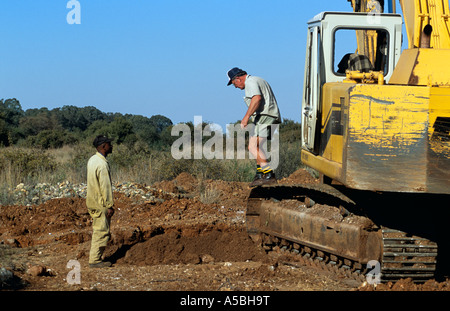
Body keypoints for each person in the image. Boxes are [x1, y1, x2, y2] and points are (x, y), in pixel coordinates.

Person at [227, 67, 281, 187]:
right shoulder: (257, 79)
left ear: (238, 78)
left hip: (265, 116)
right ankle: (260, 174)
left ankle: (268, 175)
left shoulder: (250, 82)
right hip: (268, 116)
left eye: (233, 83)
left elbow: (257, 98)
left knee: (252, 146)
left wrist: (246, 117)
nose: (235, 86)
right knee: (256, 146)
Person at [86, 135, 115, 268]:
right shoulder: (102, 164)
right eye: (109, 144)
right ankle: (95, 260)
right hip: (100, 203)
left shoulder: (92, 160)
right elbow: (105, 186)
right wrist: (109, 205)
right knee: (101, 231)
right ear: (103, 146)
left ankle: (96, 258)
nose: (111, 146)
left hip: (92, 200)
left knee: (98, 229)